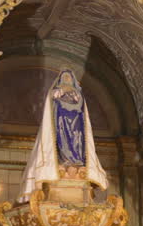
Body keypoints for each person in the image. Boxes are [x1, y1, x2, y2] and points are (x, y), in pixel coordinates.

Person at [20, 70, 107, 199]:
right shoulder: (55, 92)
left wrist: (73, 96)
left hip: (76, 126)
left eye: (68, 78)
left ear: (72, 80)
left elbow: (80, 105)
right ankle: (64, 160)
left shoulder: (77, 94)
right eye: (64, 77)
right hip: (61, 123)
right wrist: (59, 94)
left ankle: (76, 161)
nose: (66, 80)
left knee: (76, 144)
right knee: (63, 143)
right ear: (60, 80)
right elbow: (52, 101)